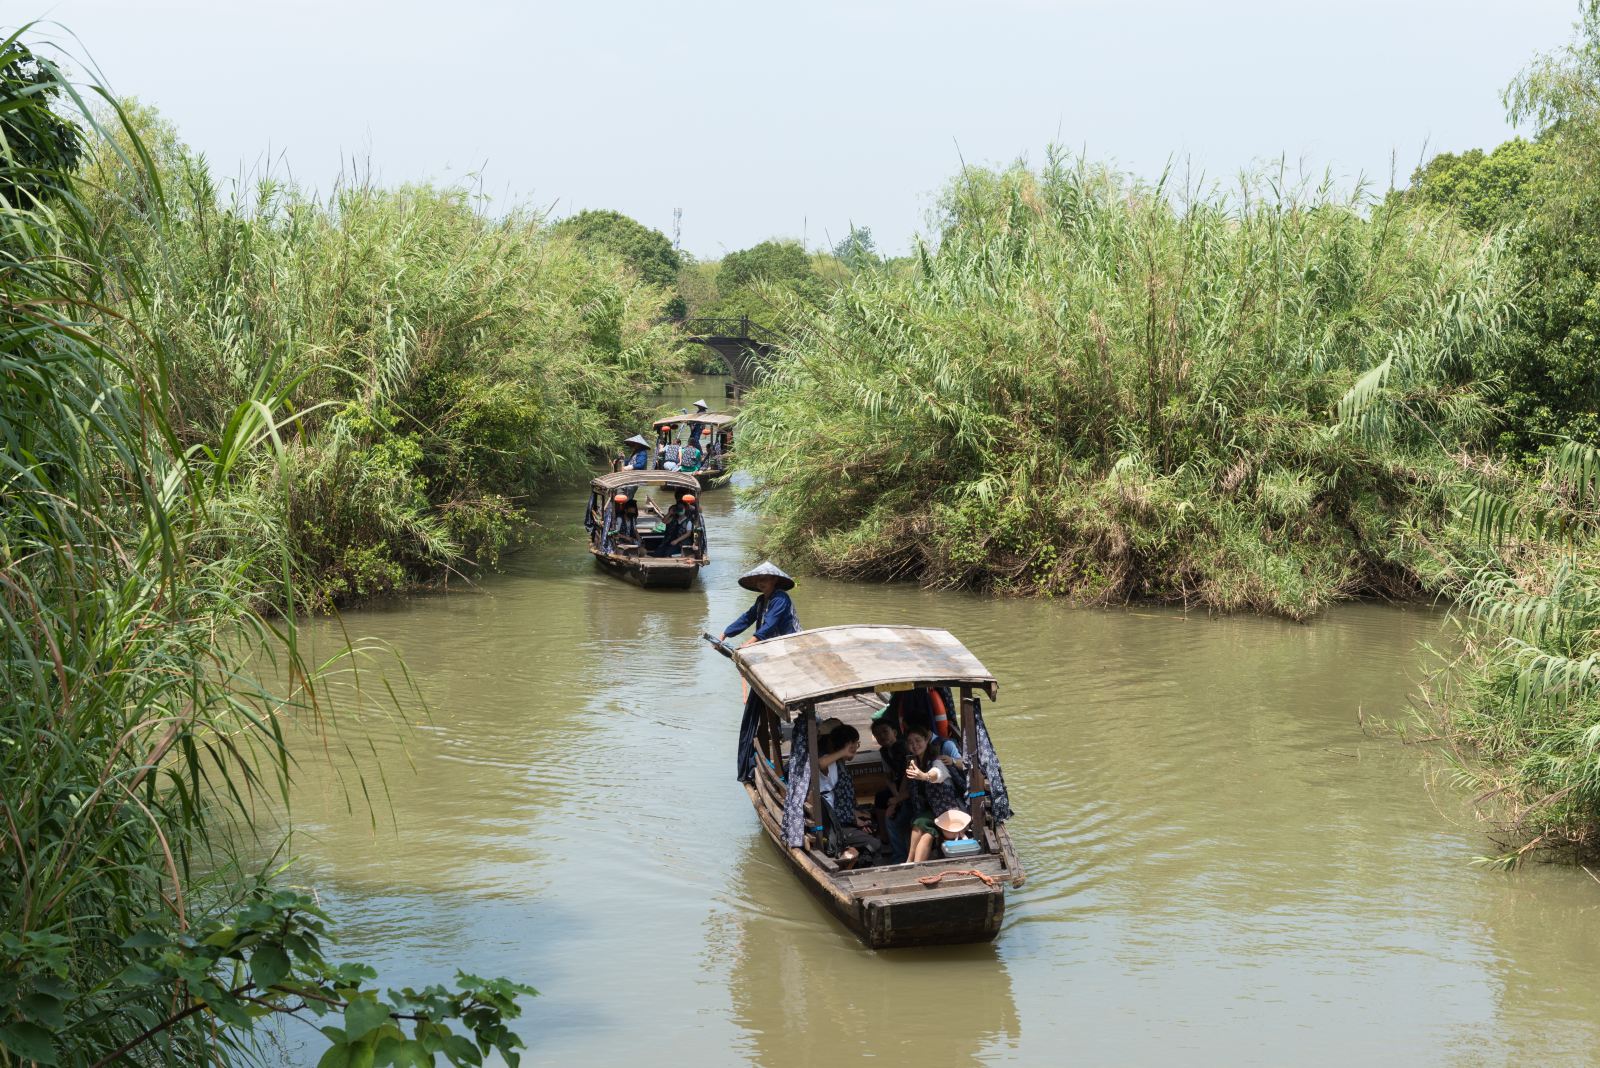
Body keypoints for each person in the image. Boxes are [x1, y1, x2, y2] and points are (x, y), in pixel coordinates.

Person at [817, 724, 881, 867]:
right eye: (854, 744)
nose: (855, 748)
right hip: (833, 823)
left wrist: (856, 816)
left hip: (843, 817)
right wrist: (843, 751)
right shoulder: (831, 762)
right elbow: (820, 763)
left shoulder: (840, 764)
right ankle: (856, 866)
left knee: (873, 818)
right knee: (875, 844)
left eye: (856, 744)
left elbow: (842, 801)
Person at [904, 725, 967, 863]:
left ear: (926, 740)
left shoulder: (936, 761)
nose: (914, 745)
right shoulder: (914, 762)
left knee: (922, 825)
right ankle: (912, 864)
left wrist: (924, 776)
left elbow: (936, 774)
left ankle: (911, 864)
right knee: (923, 827)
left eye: (918, 740)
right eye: (910, 742)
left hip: (948, 810)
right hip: (932, 810)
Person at [720, 562, 800, 645]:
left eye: (764, 579)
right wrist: (726, 633)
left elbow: (770, 623)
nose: (760, 583)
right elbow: (747, 618)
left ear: (774, 580)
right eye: (758, 580)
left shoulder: (781, 598)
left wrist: (749, 643)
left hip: (790, 640)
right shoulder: (761, 600)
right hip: (774, 641)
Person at [870, 713, 912, 864]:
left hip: (910, 787)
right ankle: (884, 838)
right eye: (877, 735)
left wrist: (897, 800)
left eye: (885, 732)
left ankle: (900, 855)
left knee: (895, 815)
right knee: (881, 797)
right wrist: (895, 796)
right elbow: (888, 777)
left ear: (894, 732)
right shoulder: (884, 752)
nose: (882, 736)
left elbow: (908, 775)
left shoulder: (903, 748)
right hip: (899, 787)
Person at [650, 493, 700, 557]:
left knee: (668, 553)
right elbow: (664, 521)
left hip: (681, 542)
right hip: (670, 541)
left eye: (682, 508)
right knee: (658, 553)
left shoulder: (688, 521)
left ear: (685, 509)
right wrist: (669, 513)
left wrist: (677, 540)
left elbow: (688, 534)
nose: (680, 511)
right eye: (679, 509)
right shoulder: (673, 518)